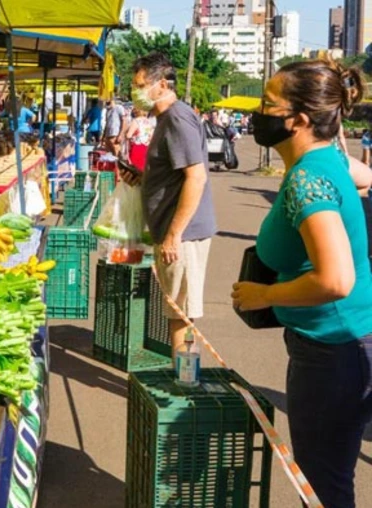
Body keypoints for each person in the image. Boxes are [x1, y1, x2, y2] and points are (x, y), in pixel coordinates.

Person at [231, 59, 372, 508]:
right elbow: (366, 177)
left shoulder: (307, 180)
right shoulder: (326, 161)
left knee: (325, 488)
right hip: (350, 342)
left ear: (299, 120)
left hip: (332, 354)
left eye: (268, 105)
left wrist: (265, 295)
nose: (258, 112)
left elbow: (335, 279)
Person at [122, 52, 217, 362]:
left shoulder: (176, 117)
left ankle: (186, 381)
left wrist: (174, 234)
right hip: (173, 231)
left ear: (161, 85)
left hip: (183, 235)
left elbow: (196, 177)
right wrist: (141, 177)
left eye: (139, 86)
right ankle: (184, 375)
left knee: (182, 312)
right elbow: (174, 174)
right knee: (176, 308)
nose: (134, 92)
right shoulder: (166, 119)